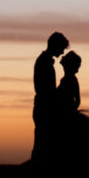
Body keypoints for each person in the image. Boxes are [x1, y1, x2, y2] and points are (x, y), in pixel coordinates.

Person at [31, 31, 69, 163]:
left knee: (43, 145)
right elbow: (45, 90)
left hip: (44, 108)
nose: (63, 53)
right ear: (56, 46)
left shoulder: (44, 61)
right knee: (43, 146)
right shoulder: (44, 62)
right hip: (45, 109)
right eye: (62, 48)